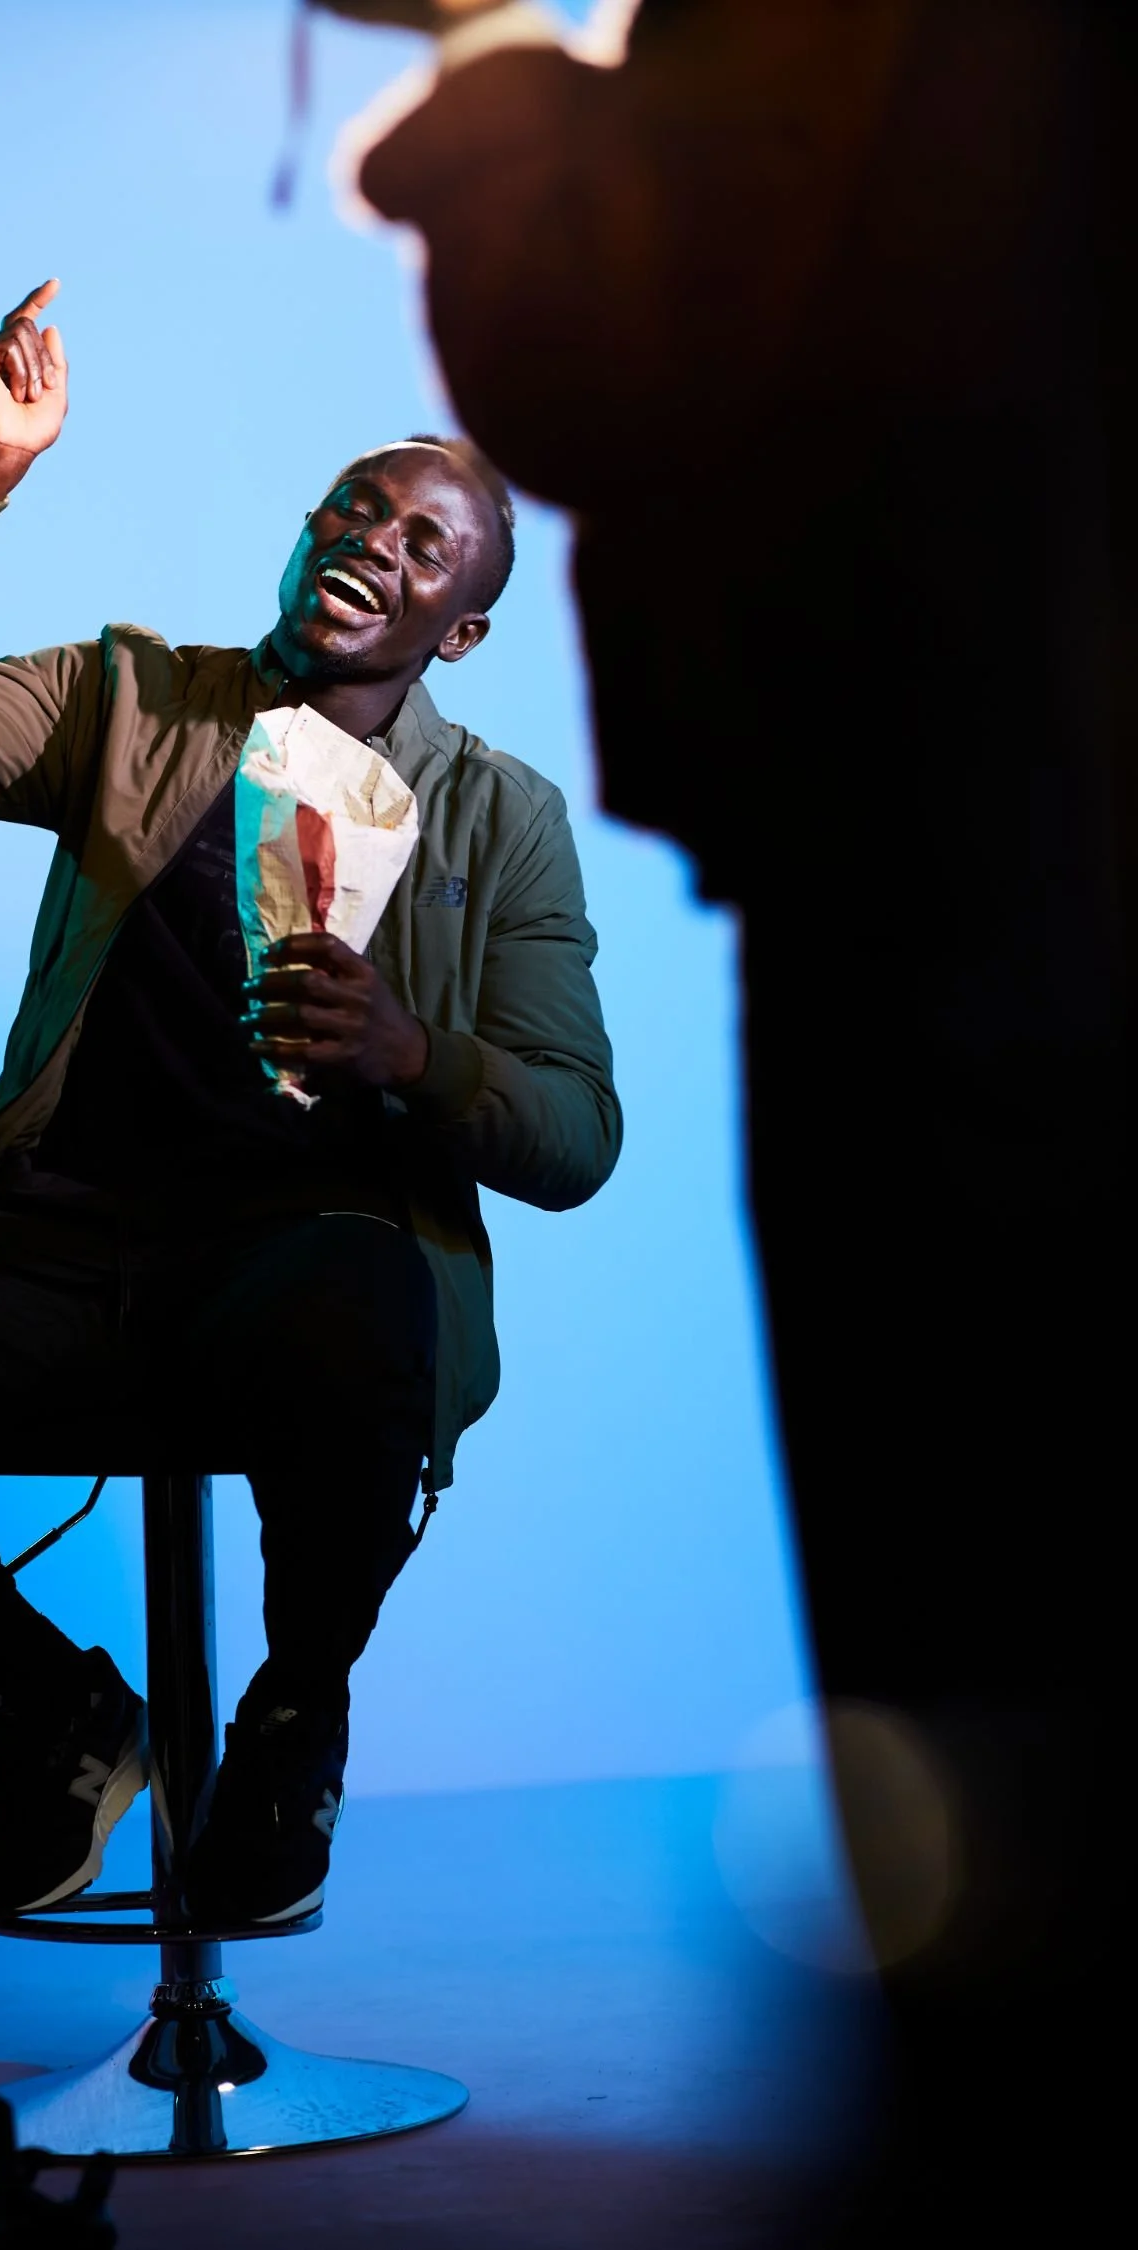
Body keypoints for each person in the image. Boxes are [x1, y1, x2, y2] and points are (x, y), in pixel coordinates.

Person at [313, 0, 1132, 2238]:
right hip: (1007, 815)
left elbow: (629, 333)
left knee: (977, 1654)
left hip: (953, 843)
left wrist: (487, 59)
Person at [0, 279, 619, 1932]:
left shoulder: (502, 822)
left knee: (362, 1294)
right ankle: (55, 1700)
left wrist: (413, 1055)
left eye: (422, 548)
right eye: (357, 508)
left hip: (298, 1275)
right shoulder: (132, 696)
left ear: (458, 628)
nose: (374, 544)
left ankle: (291, 1720)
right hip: (50, 1254)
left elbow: (576, 1136)